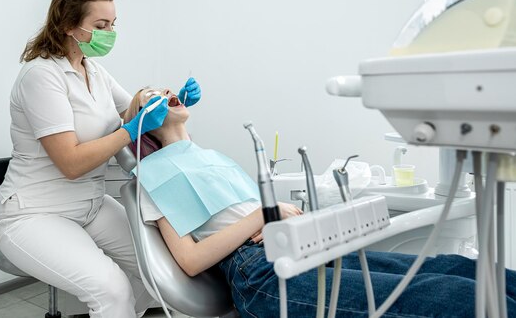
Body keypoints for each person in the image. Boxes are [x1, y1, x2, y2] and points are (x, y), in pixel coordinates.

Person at [123, 87, 516, 318]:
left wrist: (281, 220)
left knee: (460, 268)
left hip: (298, 246)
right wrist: (264, 214)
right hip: (261, 275)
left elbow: (254, 219)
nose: (165, 92)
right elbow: (190, 260)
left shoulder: (210, 157)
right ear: (143, 123)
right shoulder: (152, 175)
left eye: (164, 88)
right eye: (151, 97)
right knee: (456, 297)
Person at [0, 0, 201, 318]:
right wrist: (131, 130)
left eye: (113, 24)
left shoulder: (95, 71)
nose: (110, 32)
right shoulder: (41, 76)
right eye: (100, 25)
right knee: (112, 291)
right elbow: (71, 162)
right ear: (67, 25)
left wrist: (171, 100)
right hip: (35, 214)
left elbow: (134, 108)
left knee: (162, 271)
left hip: (88, 206)